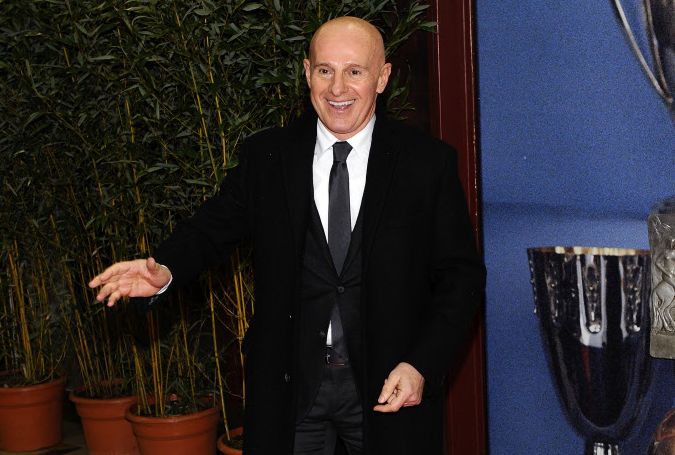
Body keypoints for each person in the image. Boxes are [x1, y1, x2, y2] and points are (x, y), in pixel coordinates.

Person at [89, 16, 485, 455]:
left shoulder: (426, 163)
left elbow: (461, 277)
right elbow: (210, 228)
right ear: (307, 73)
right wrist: (165, 269)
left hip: (390, 386)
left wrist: (421, 364)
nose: (338, 88)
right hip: (288, 389)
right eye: (325, 70)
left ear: (382, 77)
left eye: (354, 71)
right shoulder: (267, 156)